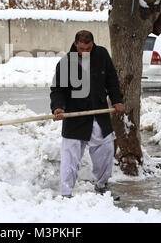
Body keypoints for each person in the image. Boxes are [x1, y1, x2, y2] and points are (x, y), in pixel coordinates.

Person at [50, 30, 125, 199]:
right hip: (74, 116)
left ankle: (101, 186)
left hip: (99, 114)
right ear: (76, 44)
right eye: (82, 48)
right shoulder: (66, 62)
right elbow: (57, 91)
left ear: (93, 44)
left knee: (105, 150)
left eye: (88, 48)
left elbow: (112, 80)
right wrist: (58, 107)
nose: (85, 52)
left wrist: (117, 100)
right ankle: (66, 193)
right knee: (70, 157)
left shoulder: (102, 55)